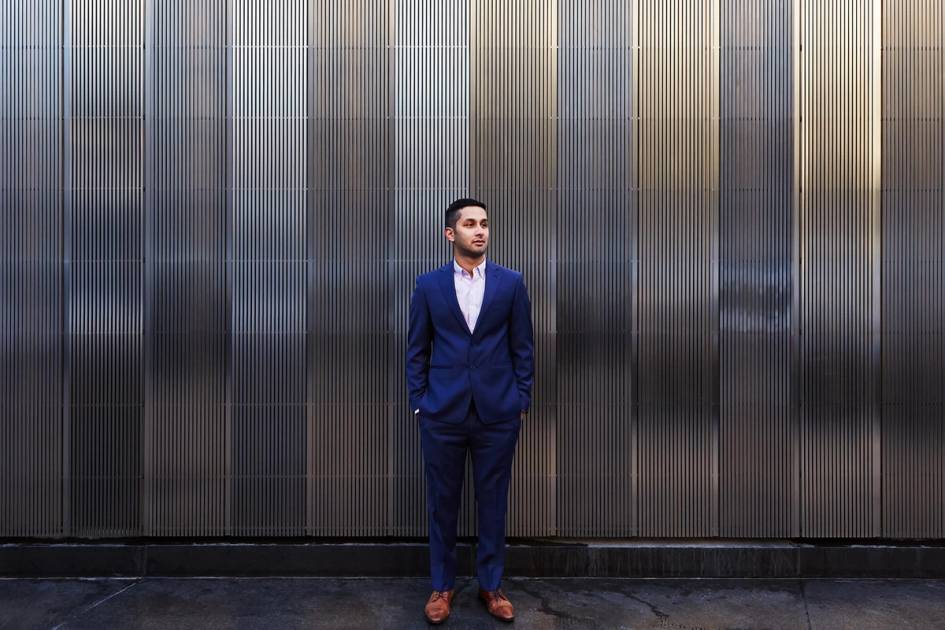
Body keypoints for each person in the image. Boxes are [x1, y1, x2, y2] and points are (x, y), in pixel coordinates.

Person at [406, 198, 535, 624]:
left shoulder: (511, 283)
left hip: (497, 413)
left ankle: (491, 586)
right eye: (469, 224)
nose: (479, 230)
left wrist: (520, 399)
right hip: (442, 412)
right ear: (450, 234)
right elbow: (417, 350)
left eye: (484, 224)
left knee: (493, 502)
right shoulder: (428, 286)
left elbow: (522, 348)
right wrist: (420, 402)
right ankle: (441, 587)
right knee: (442, 502)